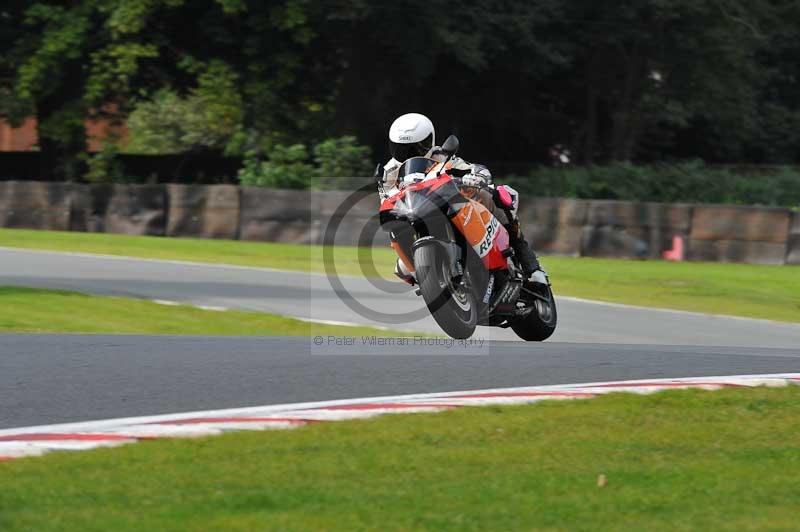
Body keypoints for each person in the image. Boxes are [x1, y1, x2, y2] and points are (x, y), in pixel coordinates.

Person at [380, 112, 541, 280]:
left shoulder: (442, 156)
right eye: (401, 149)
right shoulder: (388, 172)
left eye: (416, 148)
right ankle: (431, 277)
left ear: (430, 142)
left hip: (444, 204)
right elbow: (386, 201)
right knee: (402, 269)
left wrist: (477, 176)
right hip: (415, 215)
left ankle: (523, 253)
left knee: (496, 195)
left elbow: (472, 168)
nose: (409, 154)